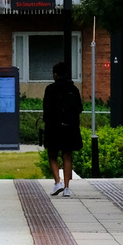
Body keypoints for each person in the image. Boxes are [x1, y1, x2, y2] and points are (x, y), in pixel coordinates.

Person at [43, 60, 83, 196]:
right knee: (67, 156)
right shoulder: (74, 89)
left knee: (52, 155)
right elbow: (79, 109)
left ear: (55, 74)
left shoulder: (50, 89)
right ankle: (67, 188)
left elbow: (46, 110)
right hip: (70, 129)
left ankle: (57, 182)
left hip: (53, 128)